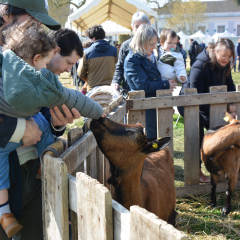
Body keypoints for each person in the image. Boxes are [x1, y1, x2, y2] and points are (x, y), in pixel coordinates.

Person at [0, 2, 82, 239]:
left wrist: (57, 123)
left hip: (30, 175)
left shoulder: (25, 50)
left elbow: (39, 111)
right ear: (6, 14)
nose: (38, 28)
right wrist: (17, 129)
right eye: (33, 20)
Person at [178, 38, 236, 183]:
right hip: (191, 104)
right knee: (196, 136)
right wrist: (211, 116)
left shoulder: (225, 66)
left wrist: (232, 106)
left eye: (229, 57)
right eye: (223, 56)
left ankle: (223, 167)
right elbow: (194, 93)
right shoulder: (200, 65)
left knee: (221, 133)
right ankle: (196, 171)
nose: (226, 59)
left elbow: (231, 87)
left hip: (211, 104)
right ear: (215, 51)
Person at [124, 24, 177, 141]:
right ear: (141, 42)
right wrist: (166, 84)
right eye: (151, 44)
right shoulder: (132, 60)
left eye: (155, 44)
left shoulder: (147, 56)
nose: (154, 47)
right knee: (149, 144)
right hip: (144, 111)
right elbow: (143, 86)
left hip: (153, 107)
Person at [111, 11, 151, 91]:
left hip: (151, 89)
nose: (139, 29)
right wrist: (116, 81)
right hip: (130, 89)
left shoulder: (154, 45)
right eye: (137, 26)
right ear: (132, 27)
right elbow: (120, 66)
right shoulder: (126, 46)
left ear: (149, 26)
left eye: (142, 26)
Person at [77, 25, 118, 92]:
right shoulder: (115, 50)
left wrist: (89, 79)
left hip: (93, 88)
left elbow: (80, 73)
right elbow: (120, 68)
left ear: (93, 38)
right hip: (111, 87)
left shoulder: (86, 52)